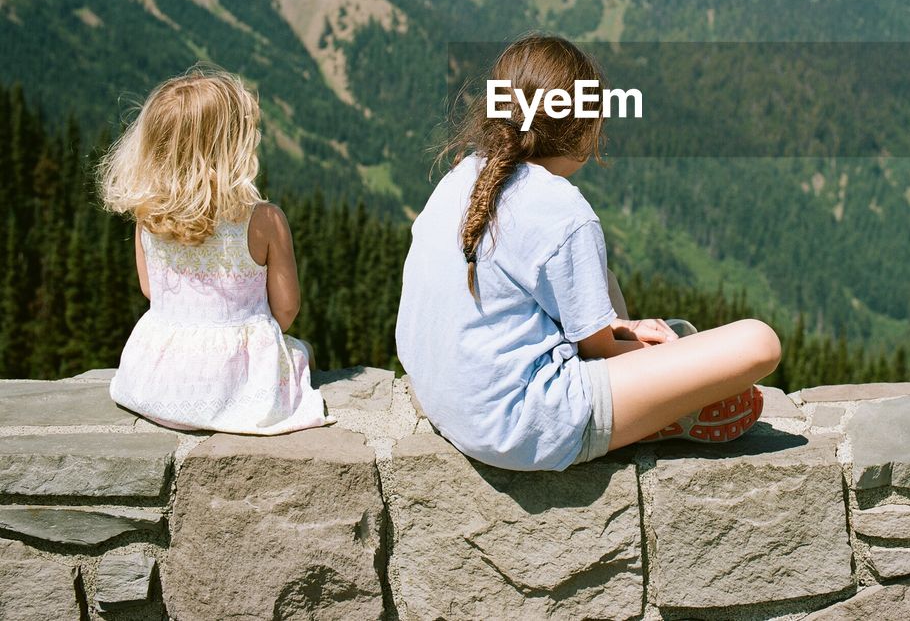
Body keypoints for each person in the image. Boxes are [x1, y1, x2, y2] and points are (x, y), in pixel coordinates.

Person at [395, 34, 781, 471]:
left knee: (614, 293)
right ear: (584, 128)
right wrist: (670, 360)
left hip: (450, 397)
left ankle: (662, 392)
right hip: (523, 427)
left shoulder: (465, 175)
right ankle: (664, 413)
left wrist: (619, 327)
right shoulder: (565, 211)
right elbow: (598, 352)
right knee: (758, 342)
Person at [98, 65, 330, 435]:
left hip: (153, 381)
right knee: (303, 351)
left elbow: (150, 290)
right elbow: (286, 309)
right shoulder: (264, 220)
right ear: (232, 148)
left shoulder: (148, 214)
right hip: (235, 384)